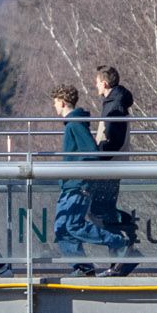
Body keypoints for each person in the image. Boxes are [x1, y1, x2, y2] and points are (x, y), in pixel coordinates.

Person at [49, 85, 132, 259]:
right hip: (70, 185)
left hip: (77, 185)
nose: (54, 106)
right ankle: (82, 266)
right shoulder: (73, 124)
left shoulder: (74, 125)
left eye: (55, 103)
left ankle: (120, 244)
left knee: (72, 225)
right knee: (62, 228)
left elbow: (91, 152)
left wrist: (78, 175)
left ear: (63, 103)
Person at [87, 65, 135, 254]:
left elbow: (113, 139)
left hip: (108, 166)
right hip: (111, 164)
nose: (96, 85)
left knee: (99, 210)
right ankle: (117, 255)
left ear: (105, 83)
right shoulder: (115, 102)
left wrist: (98, 154)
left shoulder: (113, 106)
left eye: (97, 82)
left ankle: (122, 246)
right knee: (103, 209)